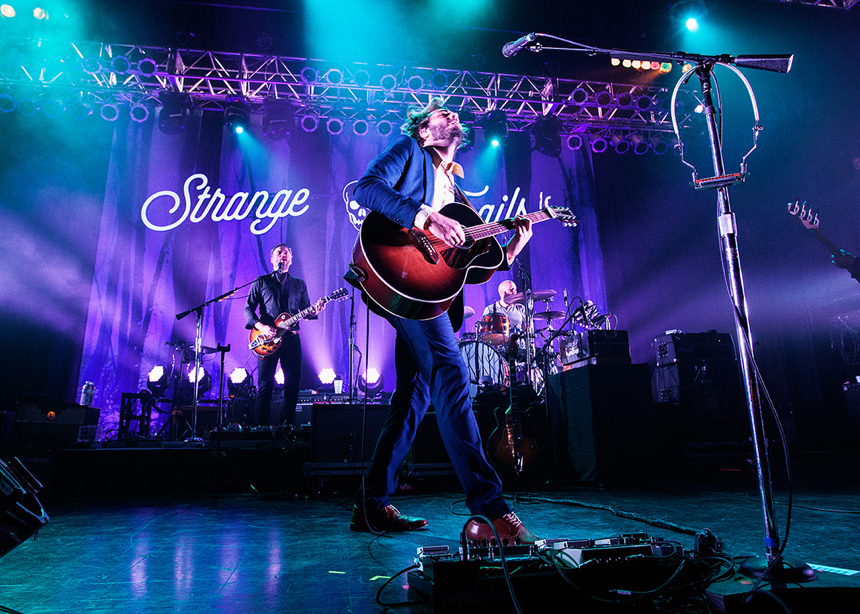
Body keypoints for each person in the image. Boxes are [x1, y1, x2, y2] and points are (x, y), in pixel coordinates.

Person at [347, 98, 537, 543]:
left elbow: (465, 264)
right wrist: (424, 215)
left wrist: (511, 249)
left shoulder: (458, 192)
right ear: (424, 131)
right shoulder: (409, 152)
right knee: (453, 375)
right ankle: (491, 511)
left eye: (454, 115)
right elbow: (366, 188)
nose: (453, 115)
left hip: (429, 294)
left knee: (413, 396)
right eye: (441, 115)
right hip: (398, 277)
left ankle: (371, 506)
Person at [245, 244, 324, 429]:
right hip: (267, 340)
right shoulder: (262, 282)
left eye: (286, 253)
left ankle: (286, 427)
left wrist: (316, 310)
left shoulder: (299, 284)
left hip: (290, 339)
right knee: (265, 385)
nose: (283, 255)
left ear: (291, 259)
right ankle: (261, 428)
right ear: (272, 259)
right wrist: (261, 326)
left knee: (292, 385)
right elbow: (248, 309)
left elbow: (306, 310)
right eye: (279, 253)